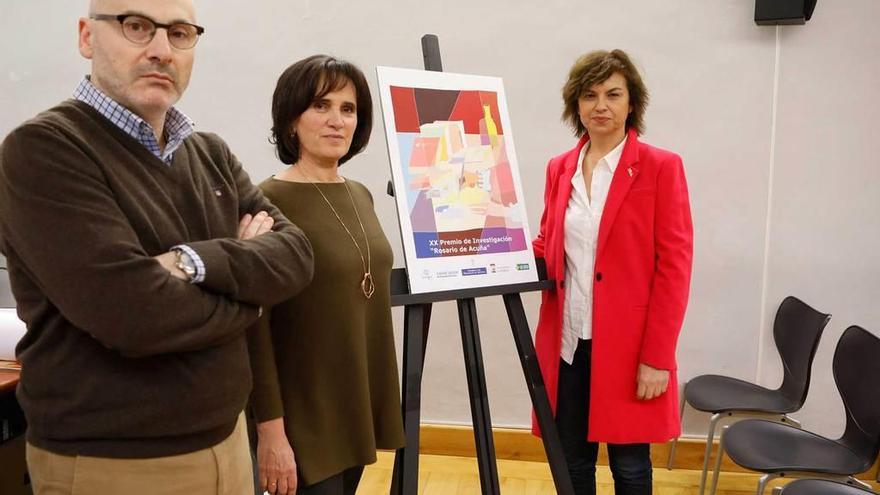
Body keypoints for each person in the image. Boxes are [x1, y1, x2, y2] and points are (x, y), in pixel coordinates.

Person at [0, 1, 315, 493]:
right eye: (137, 26)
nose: (162, 50)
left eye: (181, 33)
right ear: (87, 37)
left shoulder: (209, 152)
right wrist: (251, 298)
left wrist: (193, 263)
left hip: (230, 443)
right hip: (114, 463)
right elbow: (131, 314)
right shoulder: (44, 150)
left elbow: (296, 256)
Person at [532, 49, 693, 495]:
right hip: (567, 342)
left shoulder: (662, 167)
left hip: (629, 346)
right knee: (572, 462)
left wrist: (657, 358)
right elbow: (548, 245)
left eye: (612, 94)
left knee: (630, 466)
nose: (600, 105)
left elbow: (675, 269)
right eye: (589, 95)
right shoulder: (558, 168)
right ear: (576, 104)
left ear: (631, 103)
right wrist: (489, 250)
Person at [246, 54, 406, 495]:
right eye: (320, 106)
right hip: (300, 414)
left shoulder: (360, 194)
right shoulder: (264, 203)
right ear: (291, 119)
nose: (336, 120)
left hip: (353, 401)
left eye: (348, 108)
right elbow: (255, 330)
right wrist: (271, 433)